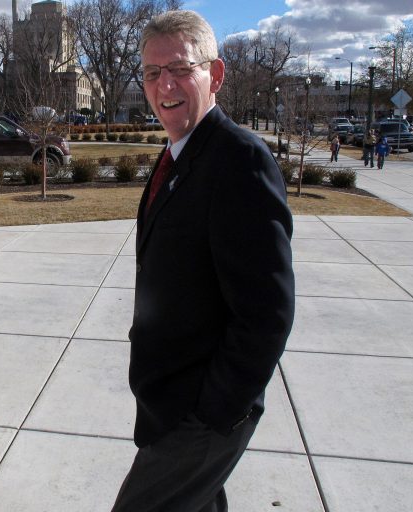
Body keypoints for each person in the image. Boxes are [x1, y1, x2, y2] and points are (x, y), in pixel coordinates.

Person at [111, 10, 295, 512]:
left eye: (180, 68)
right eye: (152, 73)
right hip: (166, 399)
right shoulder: (179, 151)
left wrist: (215, 413)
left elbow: (267, 313)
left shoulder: (239, 160)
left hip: (198, 415)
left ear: (214, 75)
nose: (164, 84)